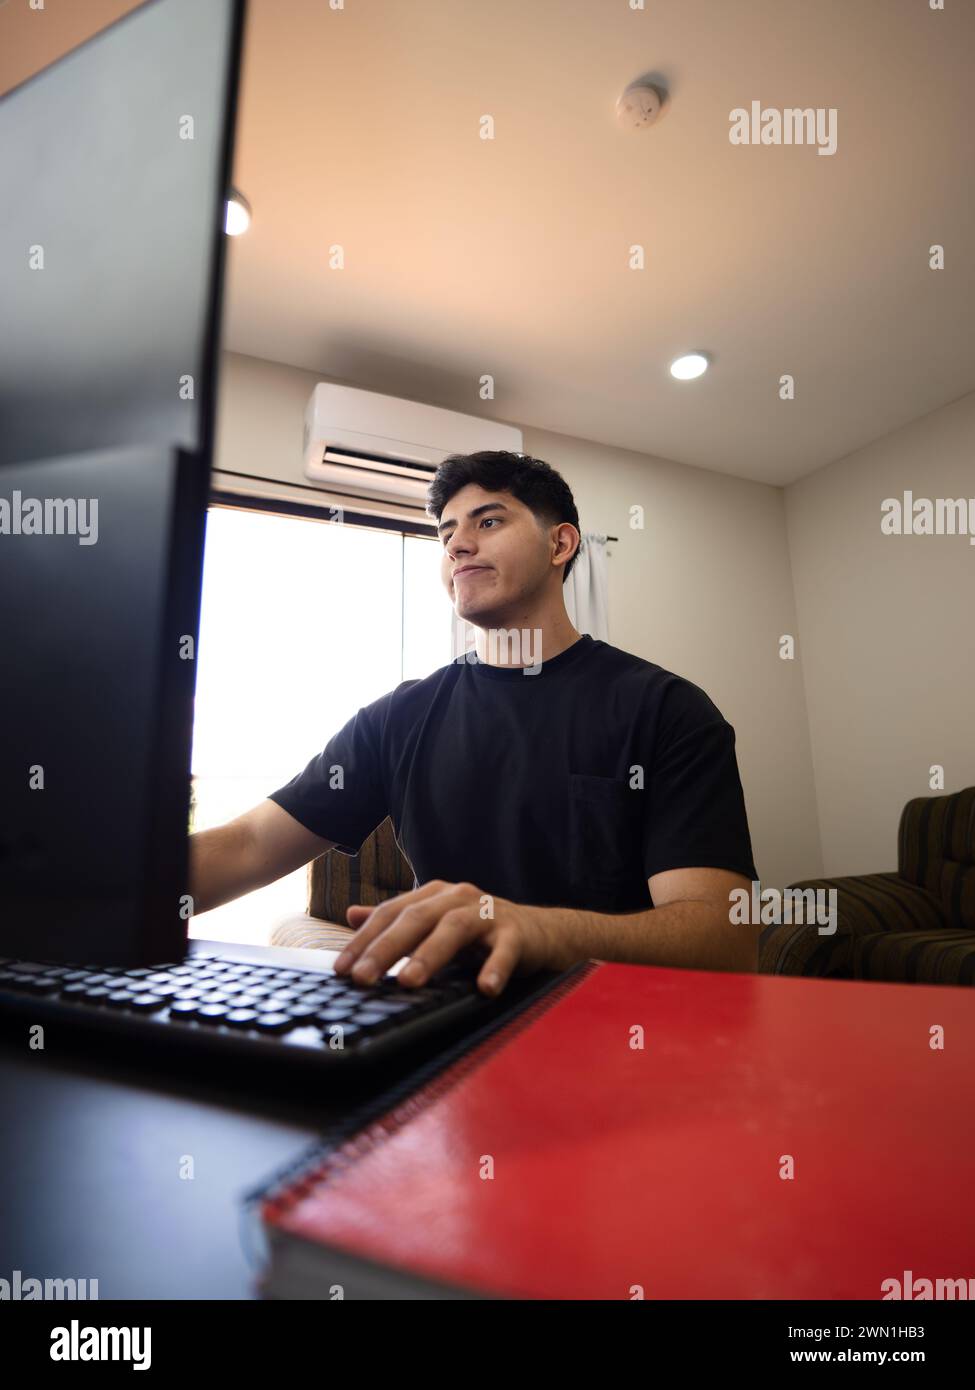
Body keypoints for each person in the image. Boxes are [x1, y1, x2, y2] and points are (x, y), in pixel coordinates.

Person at [189, 450, 759, 995]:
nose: (459, 544)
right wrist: (111, 880)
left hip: (622, 1031)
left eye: (488, 521)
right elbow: (249, 844)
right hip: (435, 1027)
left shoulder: (667, 709)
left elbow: (724, 940)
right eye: (446, 534)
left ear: (560, 543)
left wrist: (539, 930)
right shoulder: (399, 718)